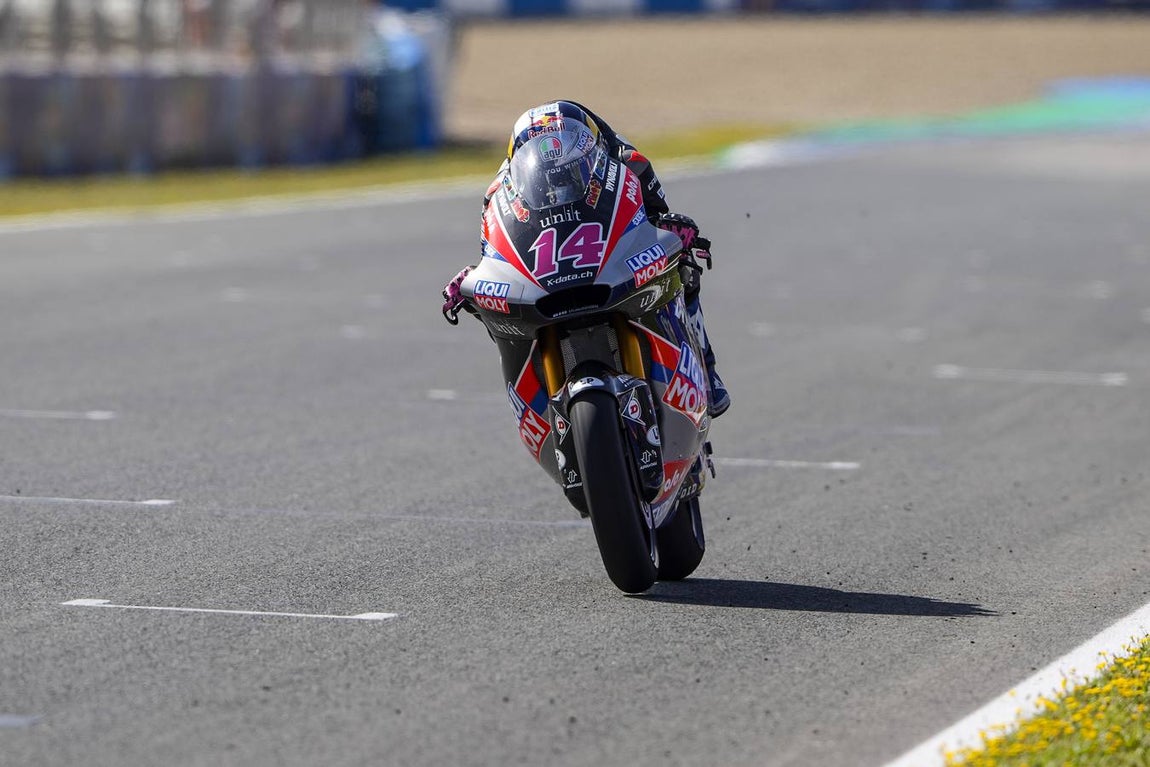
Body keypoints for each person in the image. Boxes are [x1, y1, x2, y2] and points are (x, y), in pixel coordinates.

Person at [442, 100, 729, 418]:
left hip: (611, 259)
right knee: (491, 310)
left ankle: (707, 371)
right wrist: (474, 278)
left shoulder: (629, 161)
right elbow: (495, 251)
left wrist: (674, 231)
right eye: (547, 177)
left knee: (685, 267)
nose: (557, 184)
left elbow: (658, 216)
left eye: (569, 170)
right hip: (547, 272)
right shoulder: (499, 192)